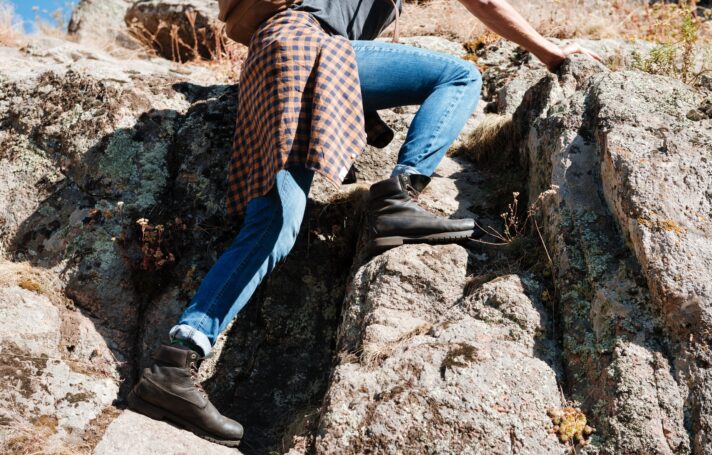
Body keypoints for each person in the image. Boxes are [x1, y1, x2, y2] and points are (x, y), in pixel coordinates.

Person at [127, 0, 602, 447]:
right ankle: (398, 197)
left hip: (267, 64)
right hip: (307, 45)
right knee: (459, 76)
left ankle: (175, 362)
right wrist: (551, 51)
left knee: (275, 225)